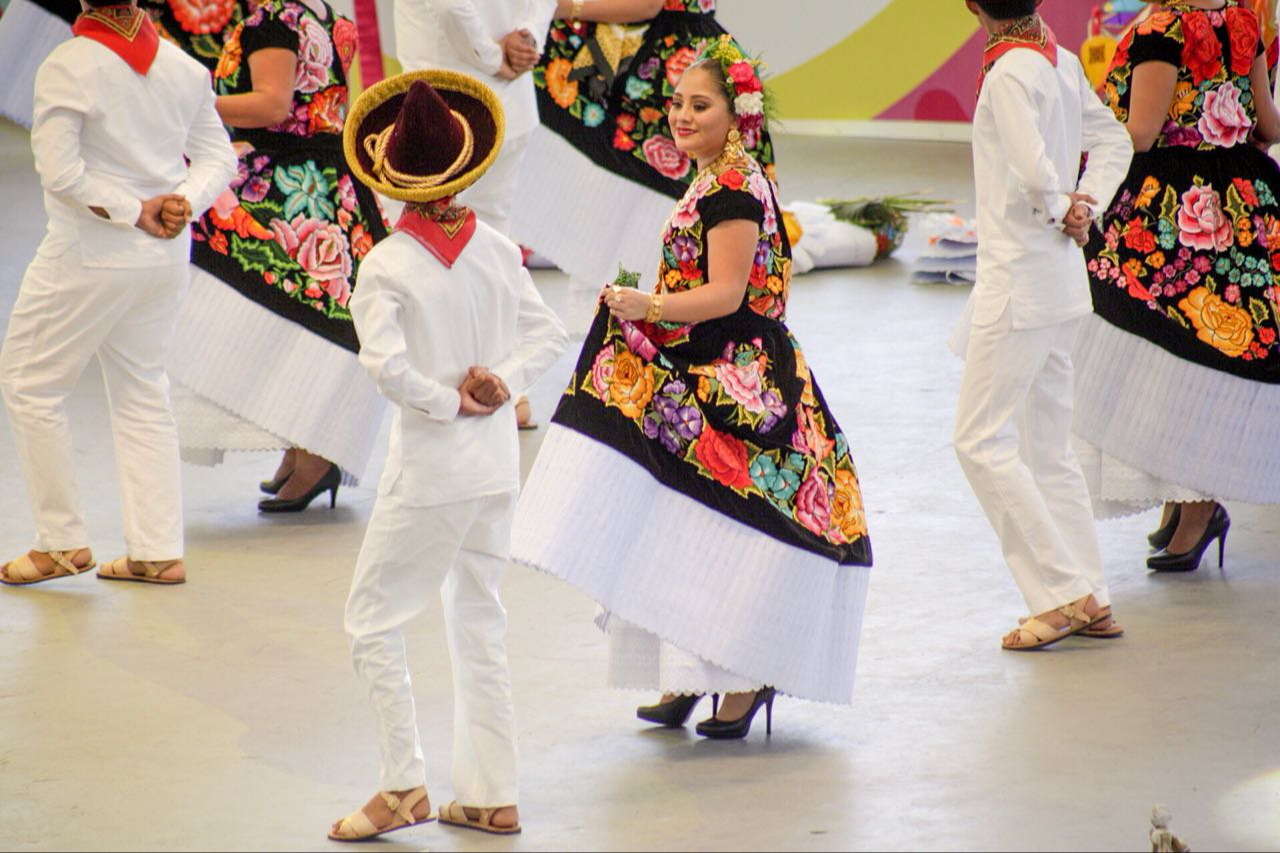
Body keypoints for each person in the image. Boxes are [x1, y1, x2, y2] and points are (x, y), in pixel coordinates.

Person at [511, 38, 871, 736]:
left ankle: (741, 676)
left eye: (699, 104)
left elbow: (727, 293)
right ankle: (688, 670)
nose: (680, 115)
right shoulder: (715, 175)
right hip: (702, 355)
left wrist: (648, 308)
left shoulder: (733, 185)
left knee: (710, 521)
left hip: (734, 369)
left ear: (738, 116)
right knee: (671, 515)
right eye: (675, 102)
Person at [329, 71, 568, 840]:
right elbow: (547, 335)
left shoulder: (388, 264)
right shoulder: (497, 247)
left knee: (371, 619)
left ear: (392, 177)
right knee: (478, 618)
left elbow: (385, 366)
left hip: (432, 468)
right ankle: (491, 792)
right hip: (496, 469)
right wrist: (500, 382)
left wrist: (447, 400)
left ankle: (404, 783)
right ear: (466, 167)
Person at [0, 0, 237, 585]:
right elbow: (218, 156)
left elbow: (60, 173)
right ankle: (157, 551)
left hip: (89, 252)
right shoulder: (183, 66)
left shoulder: (69, 63)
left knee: (30, 384)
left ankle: (60, 542)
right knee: (143, 393)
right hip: (164, 255)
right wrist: (184, 200)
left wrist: (135, 211)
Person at [1072, 0, 1280, 571]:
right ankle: (1187, 504)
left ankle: (1196, 508)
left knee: (1169, 358)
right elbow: (1269, 125)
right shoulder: (1244, 21)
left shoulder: (1163, 28)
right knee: (1205, 361)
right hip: (1246, 203)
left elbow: (1140, 134)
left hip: (1177, 209)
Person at [951, 0, 1133, 649]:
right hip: (1058, 284)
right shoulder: (1054, 59)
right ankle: (1094, 593)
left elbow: (1033, 174)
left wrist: (1064, 206)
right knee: (1049, 451)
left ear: (970, 5)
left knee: (978, 440)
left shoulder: (1008, 72)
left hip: (1020, 286)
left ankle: (1063, 594)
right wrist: (1086, 202)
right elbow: (1115, 140)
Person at [165, 0, 391, 512]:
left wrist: (183, 102)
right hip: (328, 181)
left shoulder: (274, 19)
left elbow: (273, 105)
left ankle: (317, 451)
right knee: (310, 316)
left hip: (289, 185)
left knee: (260, 302)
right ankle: (309, 445)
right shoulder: (326, 14)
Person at [510, 0, 775, 335]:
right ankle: (618, 318)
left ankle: (652, 315)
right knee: (616, 197)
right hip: (634, 52)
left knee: (658, 194)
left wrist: (559, 7)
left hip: (665, 57)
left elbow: (646, 4)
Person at [393, 0, 557, 428]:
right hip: (510, 105)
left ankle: (448, 384)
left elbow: (451, 8)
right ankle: (510, 387)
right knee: (495, 246)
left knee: (429, 251)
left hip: (446, 103)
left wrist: (493, 55)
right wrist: (529, 42)